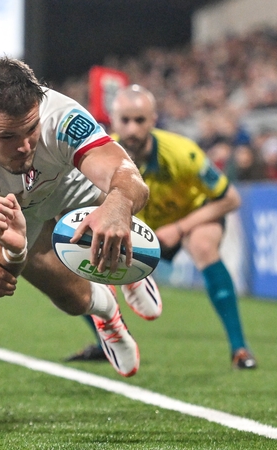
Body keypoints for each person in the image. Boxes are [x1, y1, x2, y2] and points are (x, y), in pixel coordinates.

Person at [0, 55, 151, 378]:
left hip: (68, 181)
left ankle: (132, 269)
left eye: (31, 129)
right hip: (16, 212)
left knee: (116, 196)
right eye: (8, 137)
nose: (25, 146)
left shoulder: (60, 115)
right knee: (71, 298)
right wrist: (14, 249)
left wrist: (118, 206)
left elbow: (128, 176)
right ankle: (108, 315)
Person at [65, 85, 257, 369]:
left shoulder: (183, 153)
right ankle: (108, 342)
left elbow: (230, 198)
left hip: (190, 217)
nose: (131, 129)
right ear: (113, 121)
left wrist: (179, 229)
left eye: (140, 120)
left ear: (153, 120)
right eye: (125, 120)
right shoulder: (101, 155)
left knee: (203, 245)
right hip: (139, 229)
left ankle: (239, 349)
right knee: (73, 255)